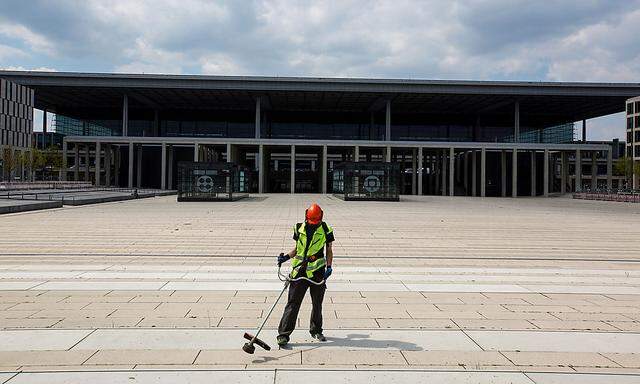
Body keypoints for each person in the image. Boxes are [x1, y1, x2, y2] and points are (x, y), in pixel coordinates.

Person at [276, 203, 334, 346]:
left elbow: (329, 249)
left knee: (317, 303)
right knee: (292, 303)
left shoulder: (326, 229)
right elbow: (297, 249)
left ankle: (316, 330)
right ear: (306, 217)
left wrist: (329, 266)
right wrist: (286, 257)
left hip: (317, 272)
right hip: (299, 271)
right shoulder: (298, 228)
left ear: (321, 218)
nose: (314, 223)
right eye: (311, 220)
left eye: (316, 221)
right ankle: (283, 335)